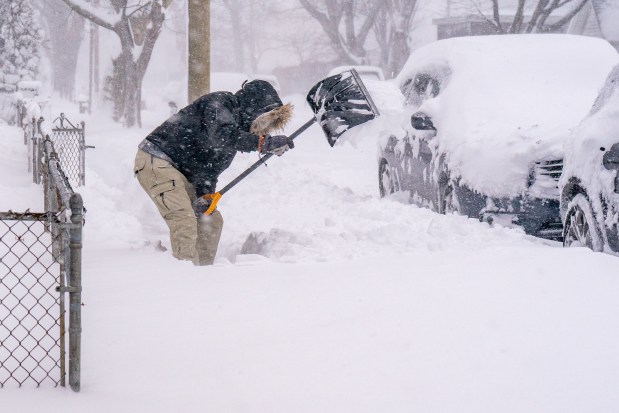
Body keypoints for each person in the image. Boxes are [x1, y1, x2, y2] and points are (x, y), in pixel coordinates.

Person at [134, 80, 294, 265]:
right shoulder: (221, 103)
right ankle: (181, 279)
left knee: (211, 221)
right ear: (254, 107)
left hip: (182, 172)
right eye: (264, 121)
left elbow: (209, 169)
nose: (264, 129)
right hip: (158, 160)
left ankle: (203, 273)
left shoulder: (235, 132)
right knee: (184, 220)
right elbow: (221, 135)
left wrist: (205, 196)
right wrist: (262, 143)